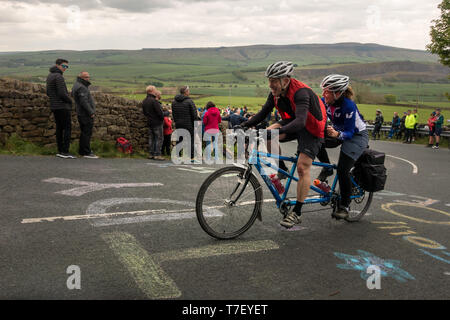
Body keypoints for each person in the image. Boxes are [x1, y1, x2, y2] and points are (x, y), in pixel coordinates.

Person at [241, 61, 327, 228]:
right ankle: (283, 169)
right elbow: (263, 113)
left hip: (312, 128)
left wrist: (272, 132)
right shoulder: (275, 93)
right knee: (269, 132)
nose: (271, 84)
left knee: (302, 167)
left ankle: (297, 212)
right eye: (270, 80)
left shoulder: (301, 93)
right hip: (293, 122)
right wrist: (244, 125)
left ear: (286, 80)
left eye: (274, 80)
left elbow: (301, 122)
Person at [315, 74, 369, 219]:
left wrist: (337, 135)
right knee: (315, 140)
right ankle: (326, 168)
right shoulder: (324, 101)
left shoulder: (348, 105)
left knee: (342, 169)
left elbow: (350, 132)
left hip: (356, 136)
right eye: (323, 90)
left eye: (327, 91)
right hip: (337, 131)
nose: (323, 94)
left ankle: (344, 205)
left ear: (337, 93)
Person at [46, 58, 75, 159]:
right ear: (57, 65)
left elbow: (48, 92)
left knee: (59, 128)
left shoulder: (50, 76)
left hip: (54, 106)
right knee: (67, 128)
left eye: (67, 67)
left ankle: (60, 150)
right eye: (64, 66)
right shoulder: (59, 77)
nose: (65, 68)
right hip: (62, 106)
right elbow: (62, 93)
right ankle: (65, 152)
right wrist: (70, 101)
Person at [71, 71, 98, 159]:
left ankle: (82, 151)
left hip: (80, 113)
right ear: (81, 77)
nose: (88, 79)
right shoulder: (82, 87)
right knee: (86, 133)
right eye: (86, 77)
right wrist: (91, 112)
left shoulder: (76, 85)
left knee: (84, 133)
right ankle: (86, 152)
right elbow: (84, 102)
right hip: (85, 114)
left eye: (88, 77)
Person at [171, 85, 200, 161]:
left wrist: (176, 122)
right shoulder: (189, 101)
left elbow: (173, 114)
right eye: (188, 91)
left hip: (179, 124)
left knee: (179, 139)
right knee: (190, 140)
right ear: (186, 92)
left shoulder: (174, 102)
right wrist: (196, 124)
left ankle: (176, 156)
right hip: (189, 124)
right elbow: (194, 114)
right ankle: (192, 157)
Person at [142, 85, 164, 160]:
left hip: (149, 121)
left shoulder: (144, 101)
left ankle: (151, 153)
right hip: (157, 122)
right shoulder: (154, 100)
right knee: (159, 138)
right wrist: (162, 117)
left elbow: (144, 112)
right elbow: (160, 113)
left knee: (151, 138)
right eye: (155, 90)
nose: (155, 91)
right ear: (151, 91)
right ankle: (157, 154)